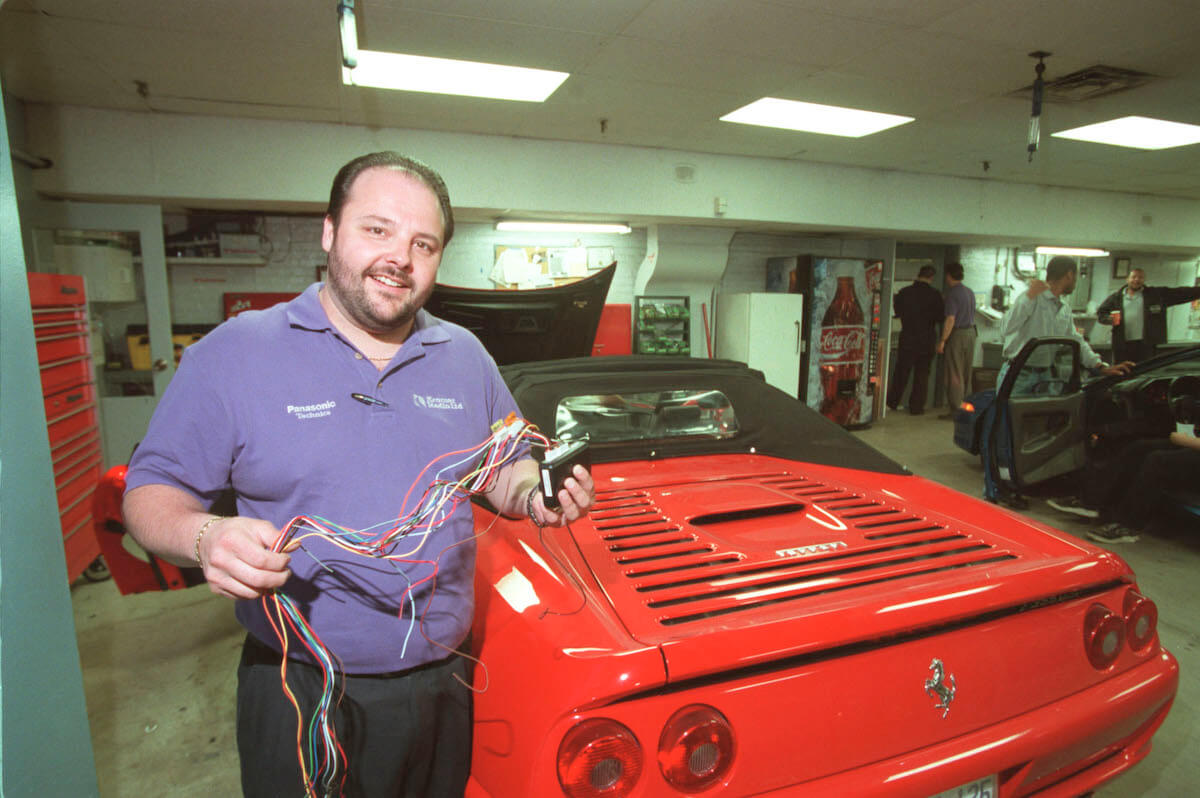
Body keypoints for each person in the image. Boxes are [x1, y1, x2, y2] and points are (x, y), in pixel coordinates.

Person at [122, 151, 595, 797]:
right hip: (299, 687)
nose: (399, 256)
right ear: (329, 232)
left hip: (442, 680)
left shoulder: (464, 355)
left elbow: (500, 470)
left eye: (422, 242)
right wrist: (206, 537)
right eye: (377, 229)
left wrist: (532, 495)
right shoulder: (235, 352)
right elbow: (150, 492)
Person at [1097, 266, 1200, 363]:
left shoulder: (1155, 295)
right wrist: (1108, 319)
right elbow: (1101, 313)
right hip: (1122, 343)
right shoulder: (1116, 297)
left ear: (1144, 280)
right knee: (1122, 371)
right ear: (1127, 279)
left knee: (1144, 369)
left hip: (1146, 343)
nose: (1137, 280)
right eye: (1134, 277)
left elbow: (1181, 293)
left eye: (1140, 277)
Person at [886, 264, 943, 415]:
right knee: (922, 375)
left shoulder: (904, 293)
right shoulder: (936, 295)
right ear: (931, 277)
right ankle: (916, 408)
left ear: (918, 274)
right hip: (927, 340)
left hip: (908, 338)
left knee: (901, 373)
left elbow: (897, 313)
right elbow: (940, 317)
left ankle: (892, 403)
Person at [936, 262, 975, 418]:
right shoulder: (969, 291)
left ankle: (957, 410)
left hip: (957, 335)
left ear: (948, 276)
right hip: (971, 333)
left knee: (954, 373)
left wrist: (943, 341)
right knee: (966, 372)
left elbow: (950, 319)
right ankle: (967, 407)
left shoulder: (952, 294)